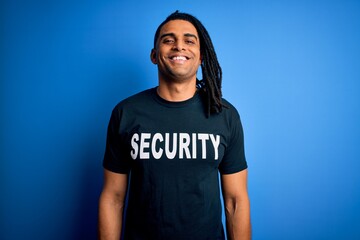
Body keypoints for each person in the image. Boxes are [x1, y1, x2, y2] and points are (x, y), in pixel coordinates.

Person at [98, 11, 251, 240]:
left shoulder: (224, 115)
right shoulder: (126, 113)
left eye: (189, 41)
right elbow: (113, 197)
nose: (179, 46)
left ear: (201, 56)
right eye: (168, 40)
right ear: (154, 55)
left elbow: (235, 201)